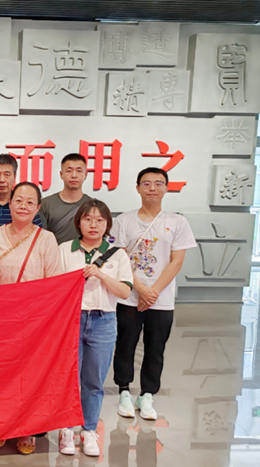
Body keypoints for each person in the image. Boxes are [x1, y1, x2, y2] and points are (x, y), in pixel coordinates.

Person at [111, 168, 196, 421]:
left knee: (155, 348)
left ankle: (147, 394)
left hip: (161, 299)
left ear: (166, 188)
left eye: (159, 183)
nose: (152, 188)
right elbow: (119, 259)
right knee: (125, 345)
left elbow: (176, 261)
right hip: (129, 296)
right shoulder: (123, 220)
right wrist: (140, 289)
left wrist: (153, 292)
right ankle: (124, 391)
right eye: (146, 183)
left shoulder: (177, 222)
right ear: (137, 188)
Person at [0, 181, 62, 455]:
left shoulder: (46, 239)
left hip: (33, 321)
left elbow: (54, 283)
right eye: (18, 200)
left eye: (30, 202)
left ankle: (25, 429)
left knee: (28, 377)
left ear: (38, 208)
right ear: (9, 203)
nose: (23, 206)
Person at [58, 199, 133, 457]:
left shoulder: (117, 254)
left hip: (103, 321)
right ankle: (66, 429)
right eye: (88, 219)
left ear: (107, 224)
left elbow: (124, 291)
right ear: (78, 222)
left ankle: (89, 430)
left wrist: (100, 274)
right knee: (68, 379)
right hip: (71, 321)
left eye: (100, 220)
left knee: (94, 381)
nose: (93, 224)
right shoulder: (65, 249)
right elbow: (55, 287)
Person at [38, 154, 92, 244]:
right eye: (69, 171)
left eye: (79, 171)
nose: (74, 175)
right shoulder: (45, 204)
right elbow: (41, 239)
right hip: (53, 252)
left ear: (85, 175)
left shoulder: (92, 205)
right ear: (61, 174)